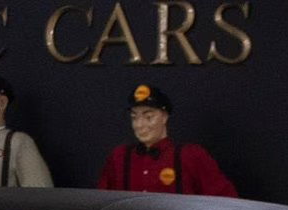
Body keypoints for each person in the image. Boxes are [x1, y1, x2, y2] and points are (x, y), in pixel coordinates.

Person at [96, 84, 237, 197]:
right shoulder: (119, 157)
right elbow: (101, 204)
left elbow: (226, 202)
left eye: (148, 117)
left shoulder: (191, 156)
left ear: (164, 117)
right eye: (134, 117)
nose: (139, 125)